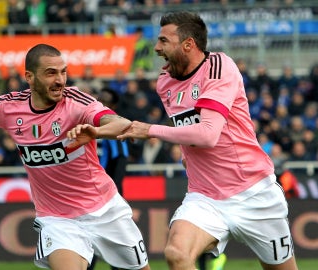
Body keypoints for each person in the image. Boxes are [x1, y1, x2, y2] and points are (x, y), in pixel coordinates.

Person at [115, 11, 298, 270]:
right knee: (177, 253)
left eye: (164, 41)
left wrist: (149, 130)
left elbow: (208, 135)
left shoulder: (219, 67)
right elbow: (187, 129)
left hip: (254, 193)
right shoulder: (165, 82)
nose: (157, 48)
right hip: (205, 196)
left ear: (188, 44)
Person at [0, 44, 150, 270]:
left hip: (105, 209)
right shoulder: (9, 107)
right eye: (51, 73)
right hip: (57, 219)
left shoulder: (76, 102)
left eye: (63, 72)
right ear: (29, 77)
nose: (60, 80)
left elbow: (121, 123)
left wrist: (96, 132)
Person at [88, 87, 129, 270]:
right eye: (99, 98)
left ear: (112, 106)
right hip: (84, 194)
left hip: (105, 197)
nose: (100, 102)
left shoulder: (114, 134)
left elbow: (119, 166)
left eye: (105, 100)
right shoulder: (84, 125)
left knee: (112, 242)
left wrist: (115, 198)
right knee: (88, 242)